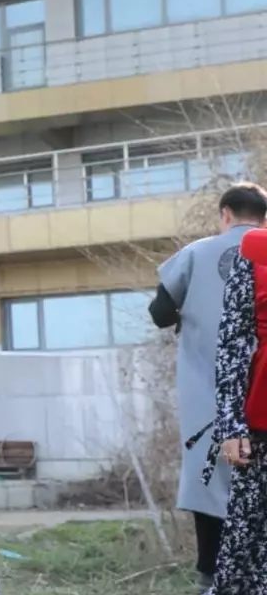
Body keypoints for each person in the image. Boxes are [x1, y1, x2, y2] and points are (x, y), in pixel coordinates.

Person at [150, 182, 267, 593]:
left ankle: (209, 577)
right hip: (260, 393)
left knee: (208, 479)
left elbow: (161, 312)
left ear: (226, 215)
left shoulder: (198, 253)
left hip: (207, 393)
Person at [200, 225, 267, 595]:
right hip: (261, 421)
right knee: (245, 552)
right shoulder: (254, 251)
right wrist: (231, 424)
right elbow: (233, 342)